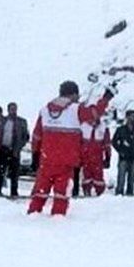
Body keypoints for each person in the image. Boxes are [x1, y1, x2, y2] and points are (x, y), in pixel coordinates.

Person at [28, 81, 113, 216]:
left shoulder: (45, 111)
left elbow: (37, 136)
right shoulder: (75, 110)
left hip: (46, 161)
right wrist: (106, 99)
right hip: (66, 163)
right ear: (73, 94)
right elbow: (95, 113)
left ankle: (33, 215)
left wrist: (35, 155)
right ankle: (58, 221)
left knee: (40, 192)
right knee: (61, 196)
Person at [0, 102, 29, 197]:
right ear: (8, 110)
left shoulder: (21, 122)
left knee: (14, 173)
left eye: (14, 109)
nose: (13, 111)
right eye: (11, 109)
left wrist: (19, 146)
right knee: (0, 171)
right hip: (3, 149)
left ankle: (14, 192)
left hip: (14, 150)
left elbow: (25, 136)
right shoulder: (2, 121)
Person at [112, 110, 134, 196]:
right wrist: (120, 150)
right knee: (121, 178)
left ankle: (130, 193)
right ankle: (119, 192)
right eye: (131, 116)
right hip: (124, 157)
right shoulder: (121, 130)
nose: (132, 118)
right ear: (127, 117)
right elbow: (114, 141)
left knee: (132, 178)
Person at [80, 117, 111, 196]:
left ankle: (99, 193)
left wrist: (108, 157)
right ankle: (86, 191)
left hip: (98, 158)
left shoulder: (103, 127)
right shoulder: (83, 126)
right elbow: (78, 142)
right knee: (86, 176)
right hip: (85, 157)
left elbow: (107, 144)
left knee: (98, 176)